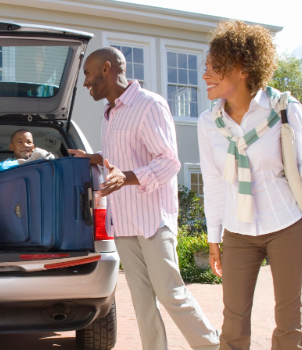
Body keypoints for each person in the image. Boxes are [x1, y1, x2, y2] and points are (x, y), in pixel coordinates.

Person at [197, 21, 302, 350]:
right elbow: (214, 183)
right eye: (205, 68)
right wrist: (214, 238)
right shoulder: (209, 123)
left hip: (286, 226)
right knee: (233, 326)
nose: (205, 75)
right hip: (238, 232)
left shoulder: (283, 108)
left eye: (213, 68)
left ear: (240, 68)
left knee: (289, 325)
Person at [70, 47, 220, 350]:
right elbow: (119, 158)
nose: (85, 82)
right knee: (141, 301)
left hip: (152, 219)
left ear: (106, 69)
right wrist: (95, 158)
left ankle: (212, 346)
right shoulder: (110, 112)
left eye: (87, 74)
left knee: (170, 293)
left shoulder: (149, 105)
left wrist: (126, 176)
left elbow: (168, 162)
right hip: (123, 222)